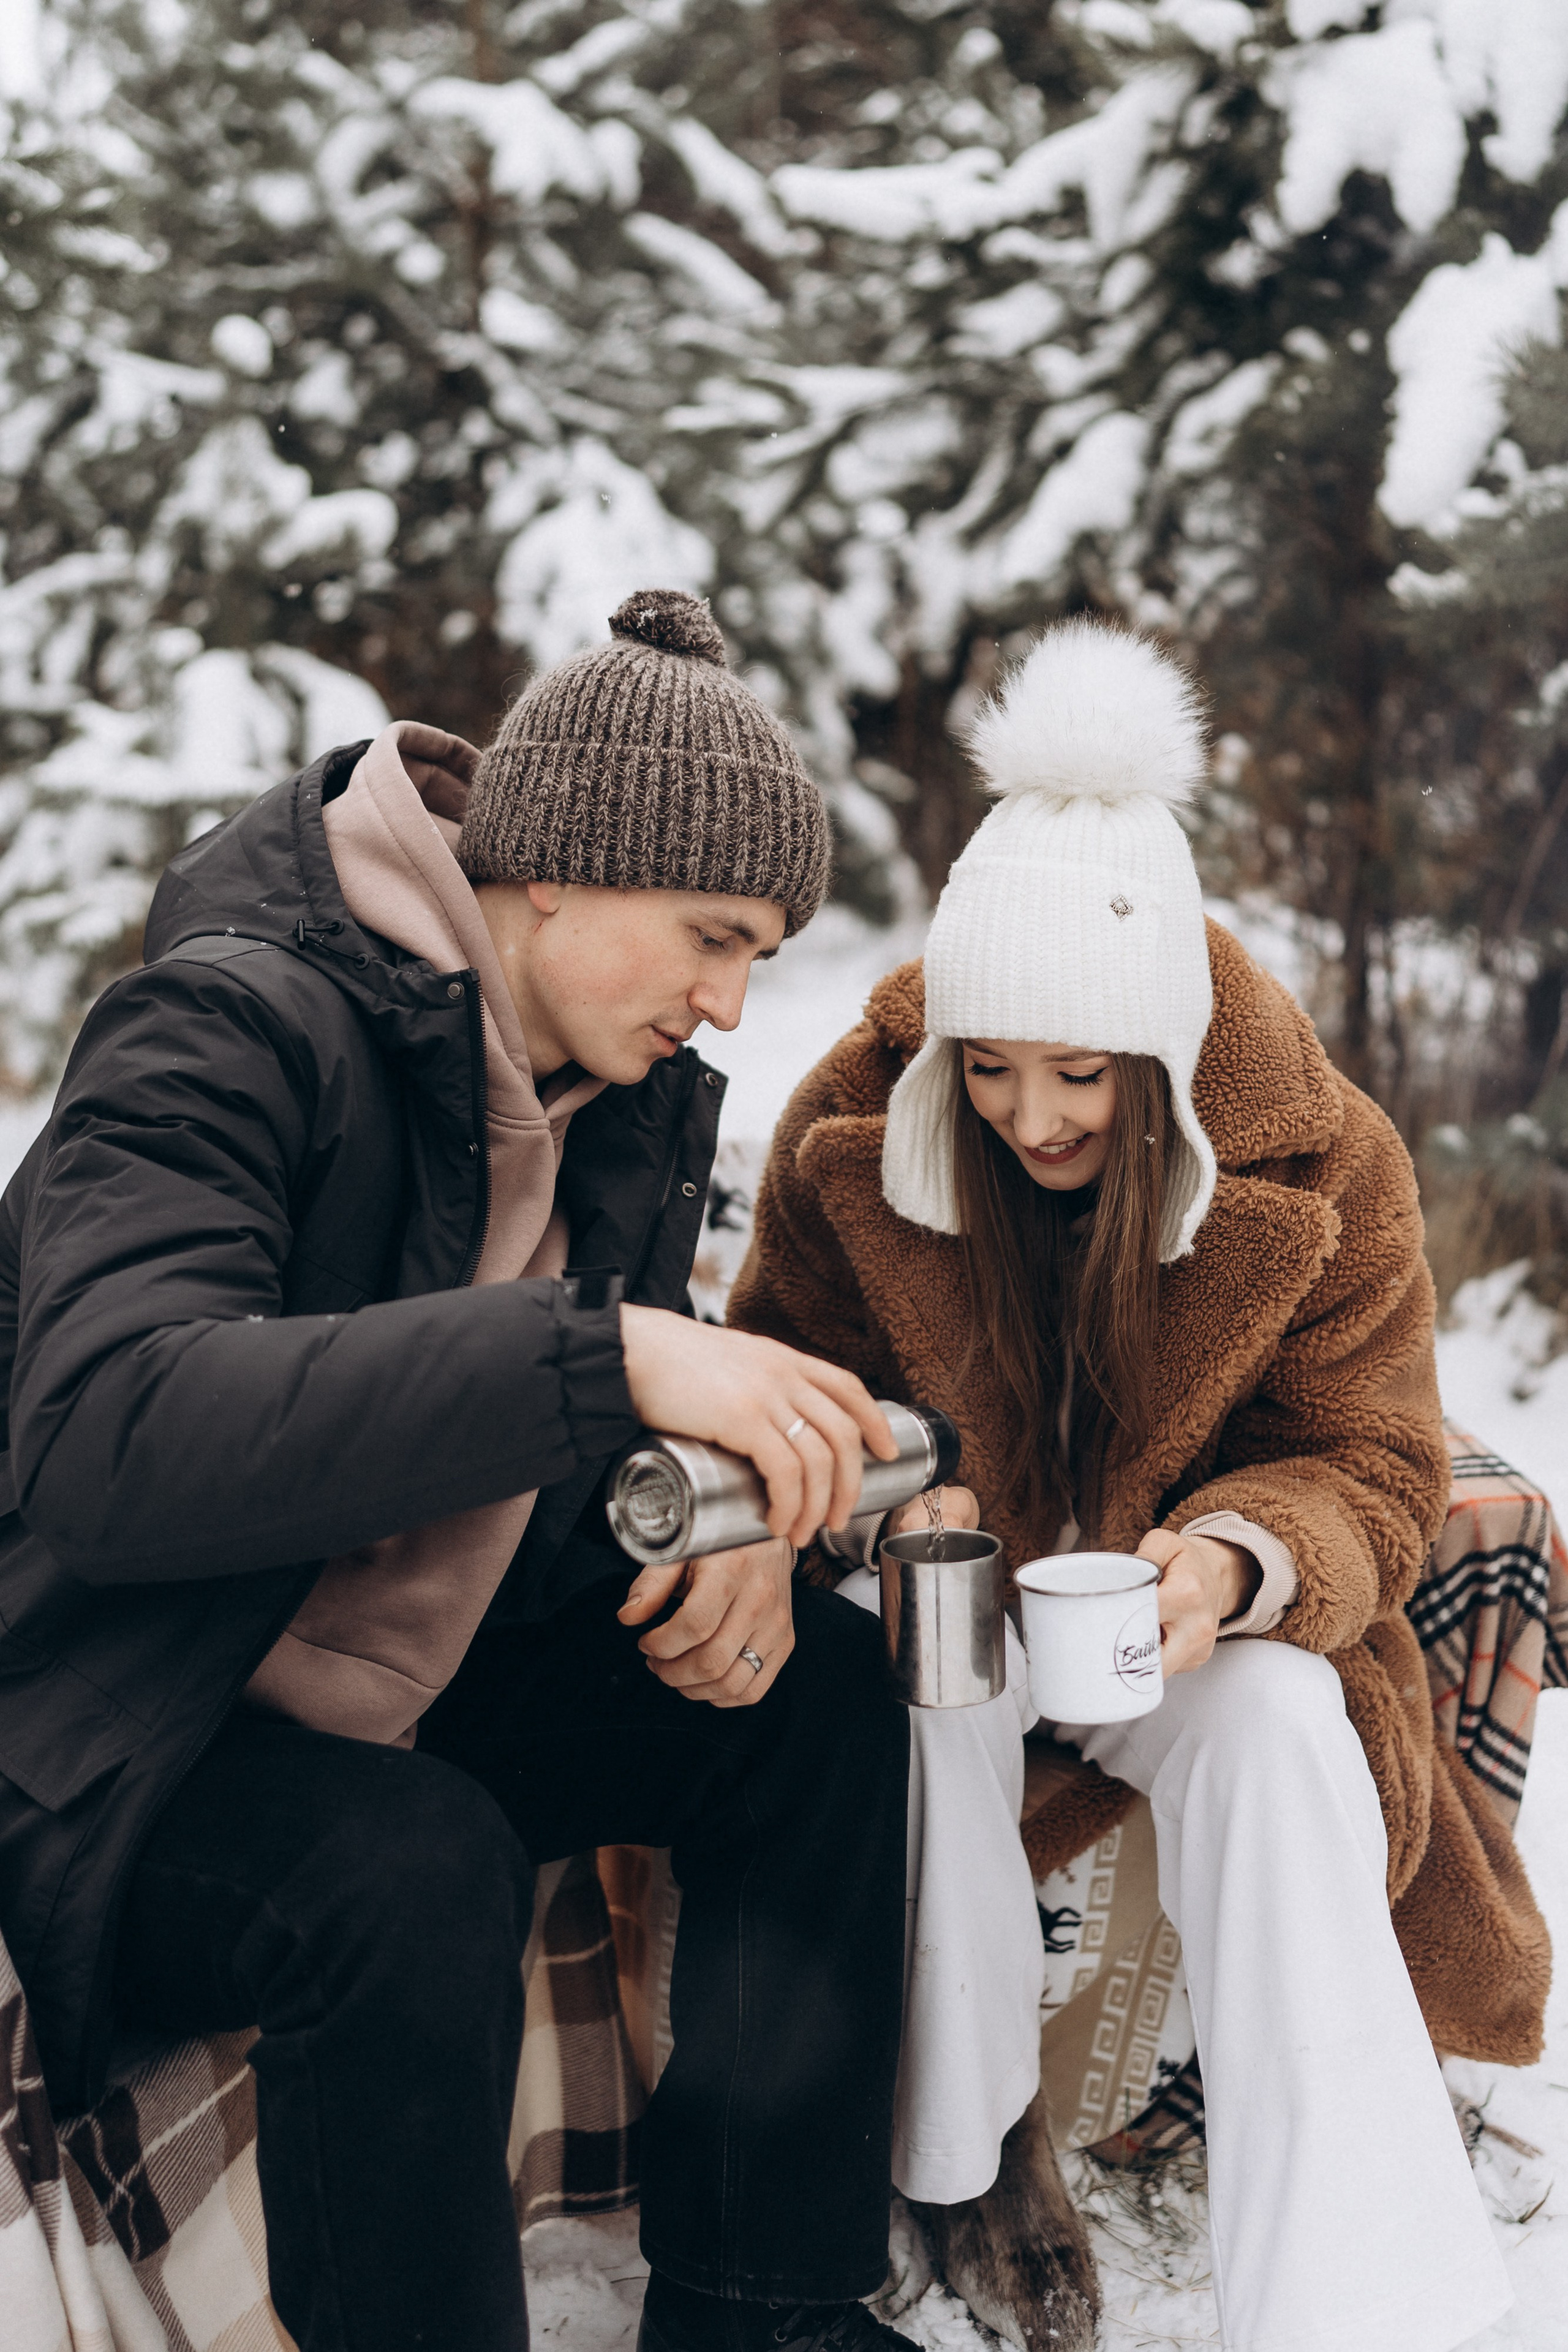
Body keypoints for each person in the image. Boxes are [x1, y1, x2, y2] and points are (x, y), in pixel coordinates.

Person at [0, 590, 925, 2352]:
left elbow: (543, 1466)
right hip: (118, 1725)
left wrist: (713, 1532)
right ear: (554, 873)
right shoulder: (222, 1026)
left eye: (762, 956)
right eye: (712, 936)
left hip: (401, 1682)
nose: (733, 1005)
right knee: (415, 1862)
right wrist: (608, 1358)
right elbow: (110, 1441)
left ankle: (766, 2312)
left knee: (812, 1707)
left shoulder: (618, 1095)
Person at [729, 619, 1546, 2352]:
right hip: (949, 1595)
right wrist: (884, 1503)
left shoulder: (1324, 1164)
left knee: (1277, 1728)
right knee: (927, 1668)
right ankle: (973, 2154)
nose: (1030, 1117)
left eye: (1083, 1075)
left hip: (1166, 1624)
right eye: (993, 1068)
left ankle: (1354, 2298)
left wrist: (1244, 1565)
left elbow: (1381, 1465)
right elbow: (778, 1384)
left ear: (1166, 1057)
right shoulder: (854, 1125)